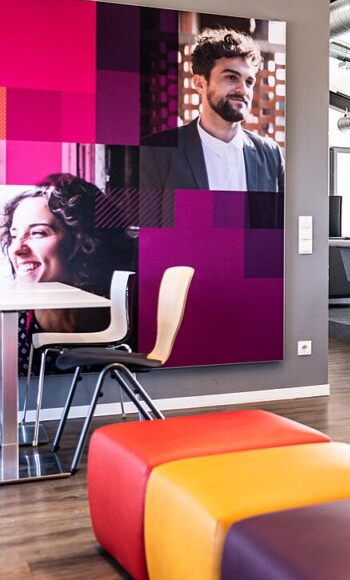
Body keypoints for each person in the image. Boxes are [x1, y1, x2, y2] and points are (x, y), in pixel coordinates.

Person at [0, 174, 132, 375]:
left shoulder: (92, 310)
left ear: (82, 241)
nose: (17, 249)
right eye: (14, 235)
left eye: (38, 233)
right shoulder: (24, 309)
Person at [139, 28, 284, 192]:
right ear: (200, 84)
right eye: (231, 77)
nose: (243, 90)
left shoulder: (270, 154)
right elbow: (146, 218)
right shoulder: (156, 152)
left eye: (249, 82)